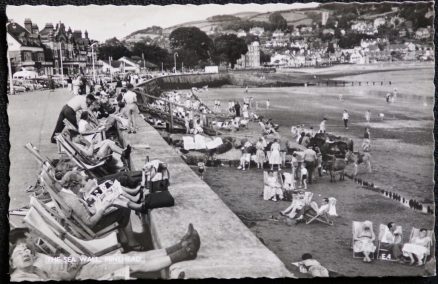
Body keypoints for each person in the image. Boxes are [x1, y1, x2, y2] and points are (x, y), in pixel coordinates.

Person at [9, 225, 201, 281]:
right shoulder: (29, 272)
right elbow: (63, 276)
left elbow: (63, 262)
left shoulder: (36, 258)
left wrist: (74, 259)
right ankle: (184, 253)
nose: (30, 246)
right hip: (83, 274)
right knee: (133, 263)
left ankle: (179, 246)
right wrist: (73, 268)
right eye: (26, 244)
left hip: (83, 264)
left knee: (128, 257)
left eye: (28, 246)